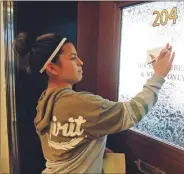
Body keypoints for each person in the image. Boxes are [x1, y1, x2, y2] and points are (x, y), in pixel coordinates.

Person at [13, 32, 175, 174]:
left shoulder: (45, 100)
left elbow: (62, 143)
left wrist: (93, 149)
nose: (81, 62)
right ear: (52, 68)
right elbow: (132, 112)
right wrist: (158, 76)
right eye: (73, 58)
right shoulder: (79, 103)